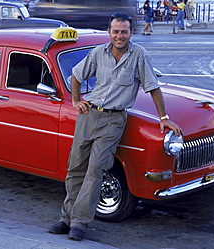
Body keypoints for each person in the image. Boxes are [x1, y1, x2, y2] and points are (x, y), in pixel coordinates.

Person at [48, 13, 182, 241]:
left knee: (95, 169)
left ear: (131, 33)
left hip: (114, 120)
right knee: (75, 168)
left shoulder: (139, 55)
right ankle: (65, 218)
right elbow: (76, 75)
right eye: (116, 31)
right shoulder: (98, 53)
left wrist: (164, 117)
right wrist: (76, 100)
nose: (119, 36)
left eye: (124, 31)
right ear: (109, 32)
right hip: (88, 115)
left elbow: (153, 87)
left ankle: (79, 222)